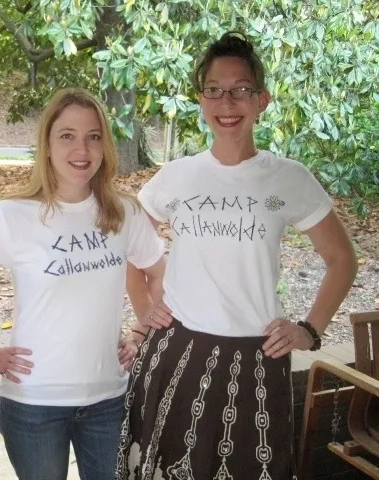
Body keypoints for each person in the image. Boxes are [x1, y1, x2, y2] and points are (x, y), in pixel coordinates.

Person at [116, 32, 357, 480]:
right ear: (201, 99)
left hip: (258, 355)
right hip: (178, 349)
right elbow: (129, 246)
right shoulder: (177, 176)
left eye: (240, 89)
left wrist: (309, 330)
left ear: (261, 100)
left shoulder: (288, 178)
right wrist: (144, 308)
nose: (226, 102)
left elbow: (342, 259)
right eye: (214, 89)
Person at [0, 87, 169, 480]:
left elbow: (159, 275)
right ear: (47, 144)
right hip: (33, 405)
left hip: (108, 401)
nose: (82, 149)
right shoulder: (12, 216)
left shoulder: (123, 213)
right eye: (67, 136)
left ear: (105, 145)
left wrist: (143, 333)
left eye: (93, 136)